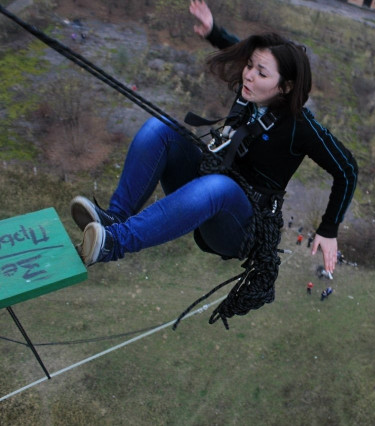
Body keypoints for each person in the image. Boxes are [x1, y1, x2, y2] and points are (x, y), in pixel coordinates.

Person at [71, 0, 357, 278]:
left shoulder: (300, 126)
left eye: (261, 73)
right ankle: (113, 220)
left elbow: (347, 169)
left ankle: (114, 243)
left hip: (237, 227)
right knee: (161, 128)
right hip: (204, 191)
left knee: (220, 187)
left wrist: (329, 228)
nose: (249, 75)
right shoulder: (252, 92)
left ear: (284, 87)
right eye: (249, 66)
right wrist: (212, 31)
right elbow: (236, 48)